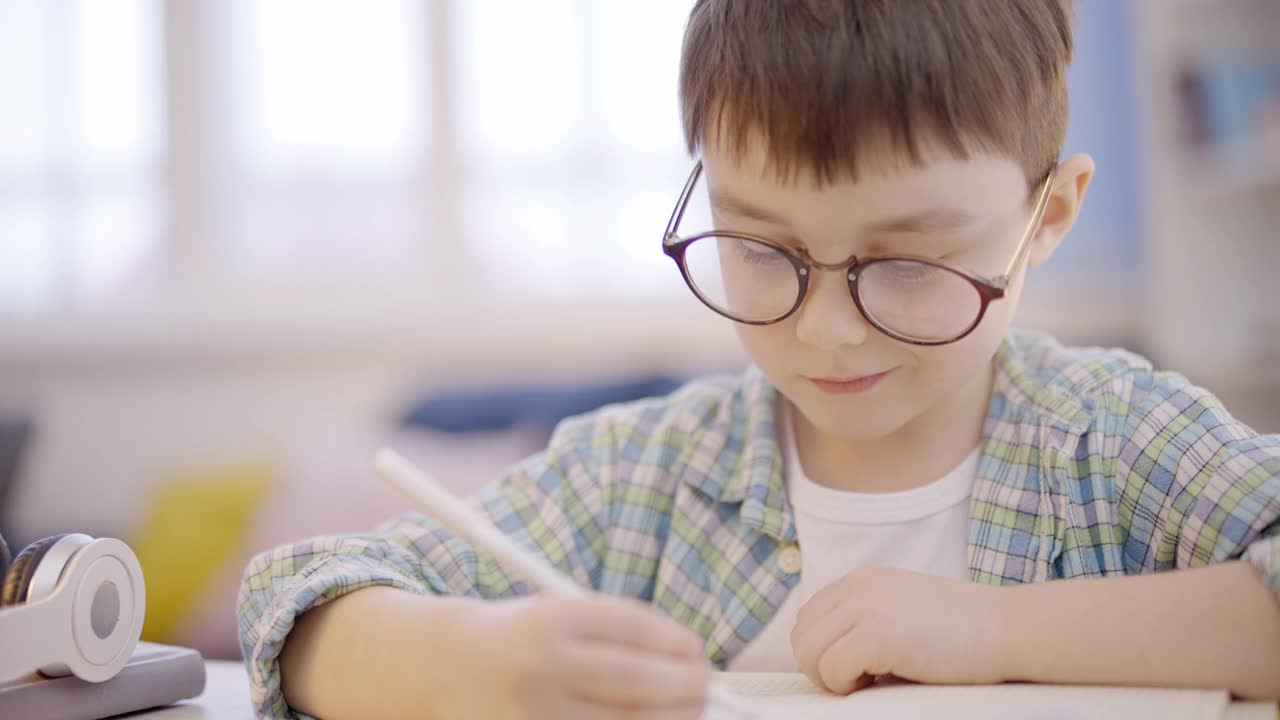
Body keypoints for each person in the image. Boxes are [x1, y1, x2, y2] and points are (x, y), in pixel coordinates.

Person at [237, 2, 1280, 718]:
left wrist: (1001, 632)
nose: (825, 329)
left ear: (1045, 215)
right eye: (761, 250)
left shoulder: (1115, 445)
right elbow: (299, 601)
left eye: (907, 260)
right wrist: (465, 666)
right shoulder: (641, 481)